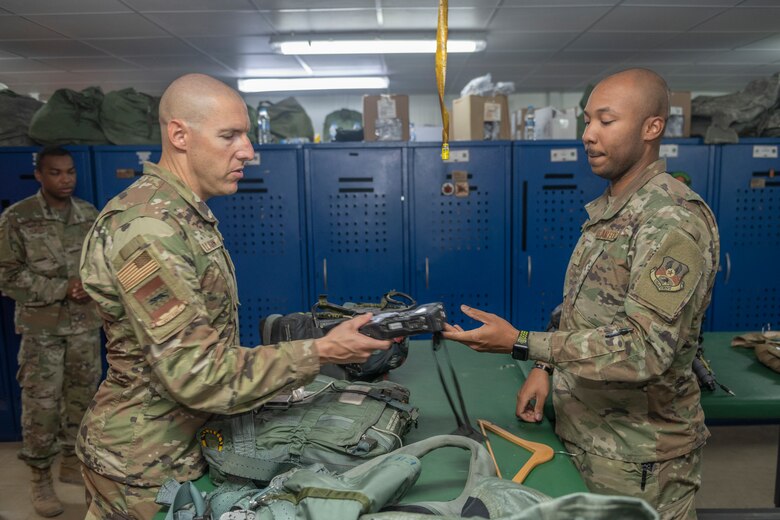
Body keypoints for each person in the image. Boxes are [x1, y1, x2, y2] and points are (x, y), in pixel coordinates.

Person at [76, 73, 391, 519]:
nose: (248, 150)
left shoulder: (180, 214)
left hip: (186, 443)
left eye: (245, 134)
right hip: (144, 462)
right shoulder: (149, 227)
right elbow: (197, 373)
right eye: (229, 136)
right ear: (180, 135)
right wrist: (321, 350)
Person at [442, 68, 719, 520]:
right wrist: (543, 368)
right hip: (585, 437)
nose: (588, 135)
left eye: (606, 121)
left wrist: (521, 343)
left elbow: (645, 350)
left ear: (652, 127)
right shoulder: (614, 209)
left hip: (639, 459)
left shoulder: (670, 219)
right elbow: (583, 308)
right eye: (587, 120)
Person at [0, 146, 102, 517]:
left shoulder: (89, 215)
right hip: (41, 330)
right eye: (56, 172)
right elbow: (7, 275)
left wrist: (90, 285)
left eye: (70, 171)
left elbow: (101, 265)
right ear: (39, 175)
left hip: (84, 327)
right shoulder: (18, 217)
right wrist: (63, 288)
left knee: (84, 400)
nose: (65, 179)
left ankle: (73, 463)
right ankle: (39, 477)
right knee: (41, 406)